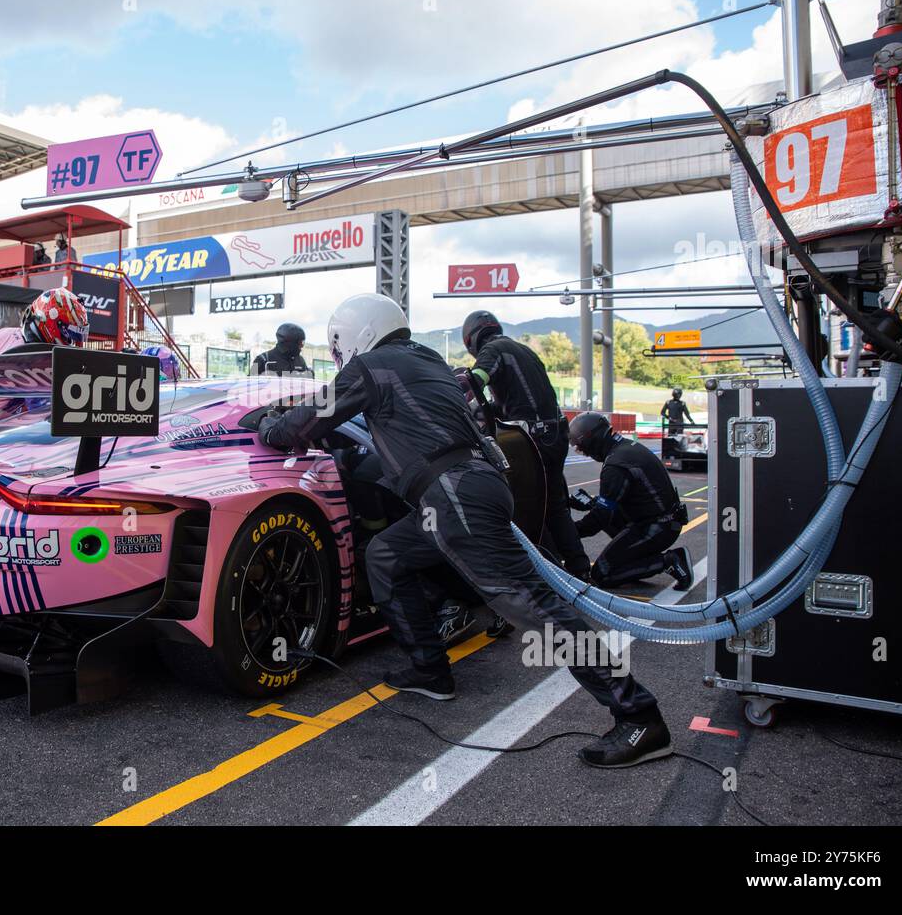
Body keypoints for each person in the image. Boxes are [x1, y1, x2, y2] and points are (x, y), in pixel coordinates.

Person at [259, 293, 671, 768]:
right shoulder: (428, 360)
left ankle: (639, 716)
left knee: (536, 608)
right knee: (387, 555)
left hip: (453, 495)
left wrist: (271, 428)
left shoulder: (371, 366)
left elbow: (308, 419)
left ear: (359, 332)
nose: (337, 352)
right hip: (473, 487)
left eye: (337, 342)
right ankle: (429, 669)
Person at [460, 310, 591, 581]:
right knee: (555, 505)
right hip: (554, 434)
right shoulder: (522, 350)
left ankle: (545, 576)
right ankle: (579, 570)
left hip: (533, 440)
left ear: (471, 339)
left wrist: (453, 397)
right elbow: (515, 399)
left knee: (525, 508)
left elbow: (473, 382)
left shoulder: (493, 350)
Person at [567, 411, 694, 590]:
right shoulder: (626, 448)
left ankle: (668, 561)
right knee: (599, 507)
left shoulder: (615, 465)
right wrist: (590, 502)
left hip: (657, 527)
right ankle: (633, 560)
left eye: (581, 447)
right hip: (662, 519)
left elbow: (599, 520)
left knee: (601, 574)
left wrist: (568, 533)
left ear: (591, 439)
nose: (584, 453)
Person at [0, 287, 89, 438]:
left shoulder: (2, 334)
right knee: (49, 417)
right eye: (69, 336)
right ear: (51, 324)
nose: (72, 343)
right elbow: (41, 411)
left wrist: (1, 388)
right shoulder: (34, 357)